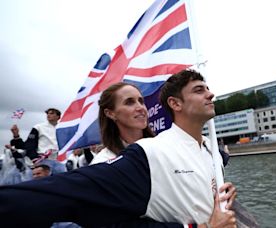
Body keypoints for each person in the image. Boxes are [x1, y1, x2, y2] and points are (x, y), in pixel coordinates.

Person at [0, 69, 237, 227]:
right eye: (130, 102)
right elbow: (66, 195)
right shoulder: (145, 154)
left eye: (141, 101)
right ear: (110, 114)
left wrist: (216, 189)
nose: (141, 108)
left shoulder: (202, 147)